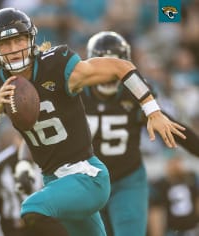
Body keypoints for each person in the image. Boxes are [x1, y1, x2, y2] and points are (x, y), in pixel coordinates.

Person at [0, 8, 186, 235]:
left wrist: (152, 110)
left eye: (18, 40)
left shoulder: (55, 65)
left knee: (31, 210)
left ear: (30, 39)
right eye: (5, 44)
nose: (13, 49)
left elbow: (121, 67)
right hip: (54, 180)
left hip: (87, 177)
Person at [82, 31, 199, 236]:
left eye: (115, 64)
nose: (109, 72)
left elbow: (169, 125)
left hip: (127, 180)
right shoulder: (76, 92)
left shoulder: (134, 91)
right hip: (87, 181)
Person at [149, 154, 199, 236]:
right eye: (172, 162)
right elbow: (156, 213)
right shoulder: (160, 185)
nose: (176, 166)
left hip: (192, 230)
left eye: (178, 162)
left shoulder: (192, 180)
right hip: (172, 231)